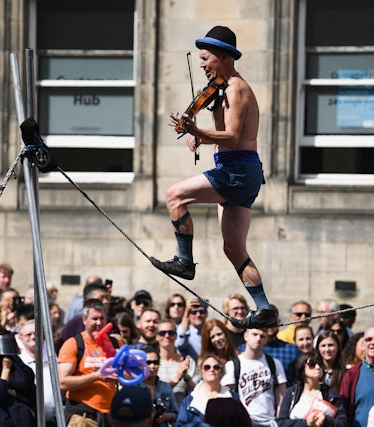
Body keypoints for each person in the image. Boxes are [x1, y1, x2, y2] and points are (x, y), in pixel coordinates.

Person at [149, 26, 275, 329]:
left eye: (206, 59)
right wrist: (200, 137)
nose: (203, 65)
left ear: (223, 57)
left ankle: (184, 262)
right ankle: (264, 309)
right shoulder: (224, 87)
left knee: (174, 195)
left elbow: (232, 137)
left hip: (236, 170)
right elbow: (228, 136)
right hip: (244, 172)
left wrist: (197, 132)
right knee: (233, 249)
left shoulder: (235, 88)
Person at [58, 298, 118, 424]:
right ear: (84, 320)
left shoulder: (115, 343)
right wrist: (96, 376)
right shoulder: (74, 343)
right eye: (94, 319)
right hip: (82, 416)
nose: (99, 323)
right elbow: (62, 382)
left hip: (109, 417)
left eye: (102, 318)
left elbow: (129, 375)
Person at [222, 328, 288, 426]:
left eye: (262, 336)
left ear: (266, 340)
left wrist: (280, 421)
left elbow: (281, 397)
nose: (258, 339)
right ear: (246, 336)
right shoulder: (233, 365)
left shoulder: (274, 364)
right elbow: (227, 397)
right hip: (243, 421)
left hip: (270, 422)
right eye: (254, 334)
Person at [277, 351, 347, 427]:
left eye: (320, 364)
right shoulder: (291, 392)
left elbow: (342, 423)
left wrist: (325, 421)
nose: (317, 367)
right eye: (312, 364)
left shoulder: (331, 394)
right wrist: (306, 423)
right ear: (302, 369)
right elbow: (281, 423)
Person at [0, 334, 37, 427]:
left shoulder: (21, 369)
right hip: (0, 420)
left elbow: (29, 389)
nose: (6, 359)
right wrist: (6, 370)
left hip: (23, 419)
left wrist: (15, 393)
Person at [176, 353, 241, 426]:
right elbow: (181, 424)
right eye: (207, 367)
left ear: (221, 372)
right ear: (201, 372)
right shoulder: (189, 400)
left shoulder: (233, 399)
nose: (212, 369)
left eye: (216, 367)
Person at [17, 320, 56, 425]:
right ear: (21, 338)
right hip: (29, 420)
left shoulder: (53, 355)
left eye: (36, 333)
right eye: (28, 334)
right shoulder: (18, 362)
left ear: (42, 334)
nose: (33, 337)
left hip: (54, 420)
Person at [157, 320, 196, 407]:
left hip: (181, 414)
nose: (167, 336)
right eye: (162, 333)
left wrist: (186, 377)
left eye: (171, 333)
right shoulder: (152, 363)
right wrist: (177, 378)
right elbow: (155, 392)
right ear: (157, 337)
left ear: (176, 336)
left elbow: (197, 392)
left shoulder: (188, 362)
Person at [263, 305, 301, 386]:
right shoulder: (246, 349)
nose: (269, 323)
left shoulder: (292, 350)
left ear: (279, 322)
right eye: (265, 319)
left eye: (272, 319)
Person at [143, 347, 178, 426]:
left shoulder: (165, 387)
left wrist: (166, 416)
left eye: (156, 362)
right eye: (148, 362)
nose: (152, 366)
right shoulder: (135, 387)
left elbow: (176, 413)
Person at [175, 297, 208, 361]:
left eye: (202, 311)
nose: (198, 315)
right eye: (194, 312)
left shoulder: (210, 332)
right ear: (188, 315)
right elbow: (181, 343)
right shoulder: (182, 330)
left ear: (206, 314)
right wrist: (185, 314)